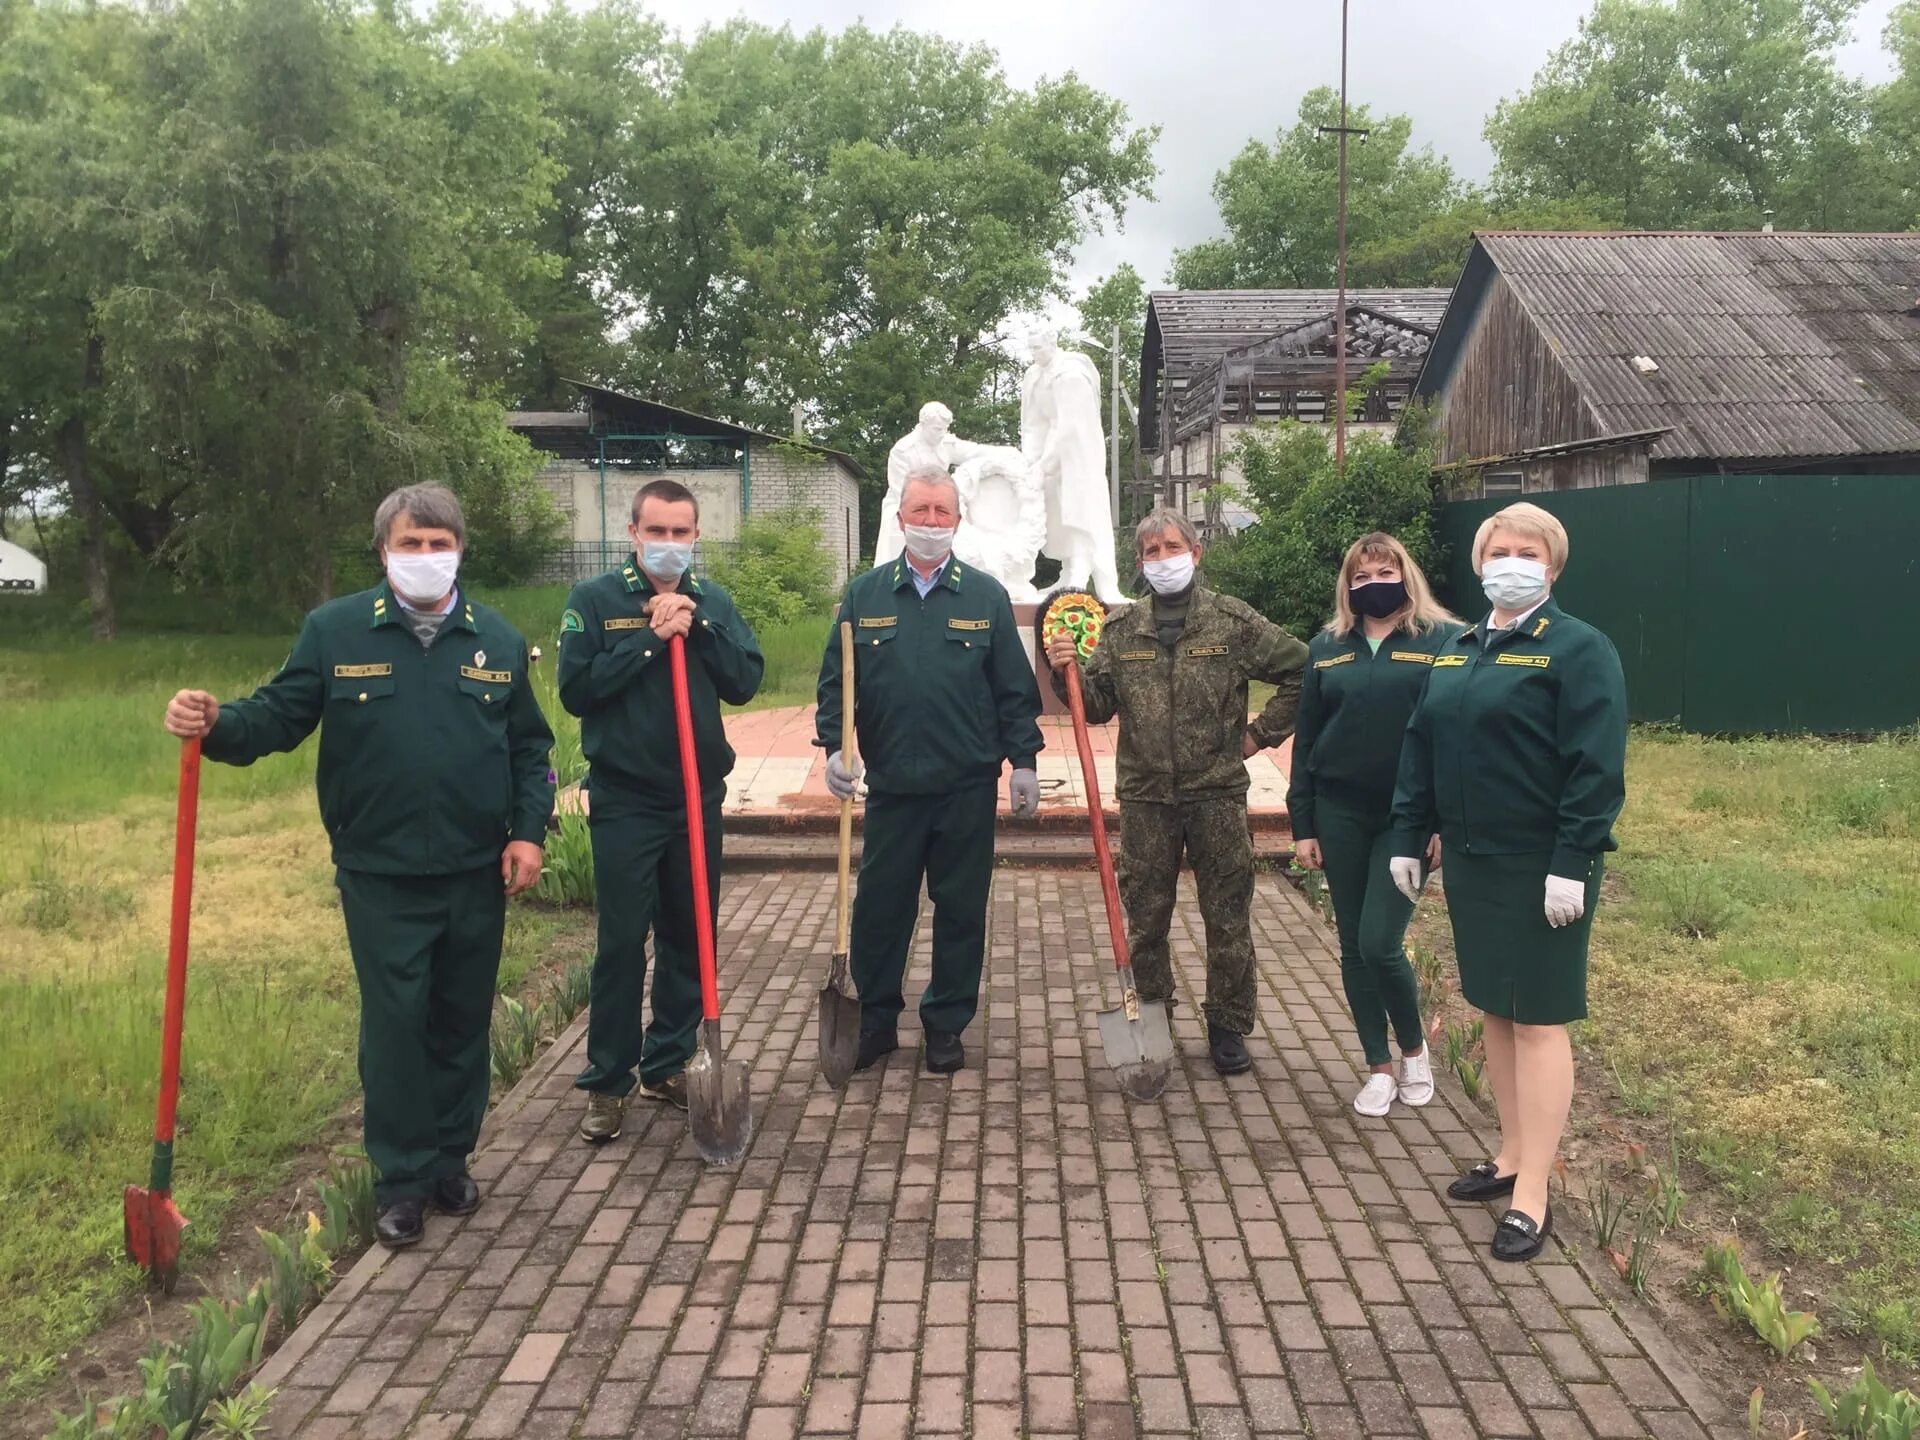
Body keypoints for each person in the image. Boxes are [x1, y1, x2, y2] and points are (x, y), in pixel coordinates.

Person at [162, 484, 554, 1249]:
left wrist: (529, 834)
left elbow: (530, 748)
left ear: (460, 551)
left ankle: (450, 1160)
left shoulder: (498, 640)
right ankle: (401, 1179)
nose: (426, 556)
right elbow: (276, 716)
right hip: (380, 870)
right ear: (383, 551)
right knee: (397, 1025)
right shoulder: (336, 631)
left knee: (461, 1018)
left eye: (440, 544)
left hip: (475, 869)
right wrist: (214, 724)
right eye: (411, 544)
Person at [1388, 502, 1626, 1262]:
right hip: (1472, 859)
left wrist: (1573, 860)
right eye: (1500, 550)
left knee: (1539, 1019)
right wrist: (1407, 835)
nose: (1512, 563)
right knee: (1495, 1007)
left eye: (1529, 552)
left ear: (1552, 567)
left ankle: (1535, 1193)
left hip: (1541, 863)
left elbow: (1595, 766)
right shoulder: (1457, 649)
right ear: (1480, 562)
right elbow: (1421, 746)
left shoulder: (1578, 649)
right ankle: (1513, 1153)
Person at [1045, 508, 1308, 1076]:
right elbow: (1097, 706)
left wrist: (1258, 735)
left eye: (1172, 547)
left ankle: (1228, 1025)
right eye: (1151, 552)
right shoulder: (1122, 629)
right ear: (1140, 564)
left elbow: (1302, 671)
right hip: (1146, 799)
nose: (1163, 559)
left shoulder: (1231, 622)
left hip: (1216, 793)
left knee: (1227, 916)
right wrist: (1064, 673)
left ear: (1195, 552)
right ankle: (1152, 1018)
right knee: (1146, 918)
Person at [817, 466, 1044, 1076]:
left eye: (942, 511)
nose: (931, 522)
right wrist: (834, 748)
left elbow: (1013, 689)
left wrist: (1024, 761)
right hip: (892, 786)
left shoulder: (985, 597)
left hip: (965, 786)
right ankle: (876, 1023)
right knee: (880, 910)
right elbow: (837, 683)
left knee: (961, 910)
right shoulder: (864, 595)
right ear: (900, 518)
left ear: (958, 521)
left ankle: (945, 1025)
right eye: (920, 511)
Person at [559, 479, 764, 1143]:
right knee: (622, 942)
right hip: (627, 799)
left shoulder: (713, 601)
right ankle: (607, 1081)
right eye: (657, 531)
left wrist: (696, 626)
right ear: (633, 533)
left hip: (697, 796)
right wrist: (649, 639)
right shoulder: (595, 601)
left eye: (681, 532)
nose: (669, 543)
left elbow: (745, 680)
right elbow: (577, 690)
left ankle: (667, 1062)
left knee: (690, 933)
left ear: (696, 535)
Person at [1287, 533, 1463, 1118]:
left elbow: (1455, 737)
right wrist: (1303, 822)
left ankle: (1413, 1051)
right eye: (1361, 577)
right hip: (1338, 811)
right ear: (1347, 586)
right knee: (1352, 946)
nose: (1373, 584)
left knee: (1379, 943)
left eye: (1385, 572)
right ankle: (1378, 1068)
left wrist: (1442, 821)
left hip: (1407, 818)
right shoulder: (1326, 648)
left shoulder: (1444, 641)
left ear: (1406, 576)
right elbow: (1307, 739)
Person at [1020, 327, 1124, 605]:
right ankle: (1068, 571)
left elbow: (1069, 426)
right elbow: (1032, 424)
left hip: (1078, 452)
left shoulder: (1070, 374)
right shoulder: (1034, 376)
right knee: (1056, 511)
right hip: (1049, 450)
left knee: (1079, 509)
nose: (1034, 353)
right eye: (1031, 348)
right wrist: (1031, 461)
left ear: (1052, 343)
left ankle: (1081, 571)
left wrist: (1044, 465)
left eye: (1038, 347)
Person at [875, 401, 989, 567]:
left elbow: (975, 451)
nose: (941, 434)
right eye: (937, 429)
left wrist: (1007, 454)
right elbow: (901, 491)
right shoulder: (903, 451)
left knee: (966, 536)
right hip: (906, 506)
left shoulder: (946, 443)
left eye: (945, 429)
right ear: (923, 425)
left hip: (940, 503)